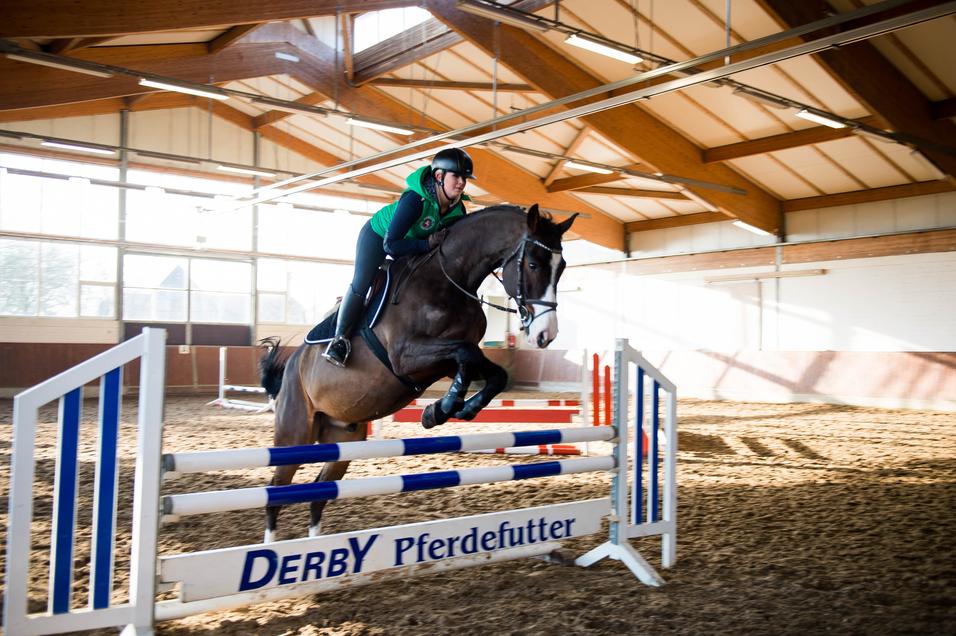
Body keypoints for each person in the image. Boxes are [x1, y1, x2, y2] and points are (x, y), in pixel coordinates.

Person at [322, 147, 476, 367]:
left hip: (412, 245)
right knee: (362, 281)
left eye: (465, 178)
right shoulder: (415, 200)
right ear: (439, 176)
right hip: (378, 236)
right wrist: (427, 243)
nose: (461, 182)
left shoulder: (458, 211)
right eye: (456, 176)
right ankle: (339, 341)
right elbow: (391, 245)